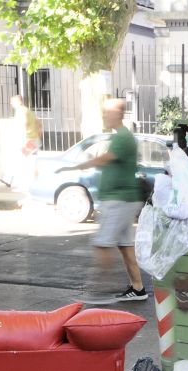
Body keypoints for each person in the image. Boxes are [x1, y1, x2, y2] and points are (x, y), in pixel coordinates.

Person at [56, 98, 146, 302]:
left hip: (119, 200)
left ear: (119, 114)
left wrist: (76, 167)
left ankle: (101, 291)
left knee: (103, 244)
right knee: (124, 247)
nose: (105, 116)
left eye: (108, 112)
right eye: (104, 112)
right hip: (122, 198)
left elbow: (104, 159)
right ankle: (138, 288)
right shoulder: (121, 136)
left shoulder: (123, 137)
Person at [9, 95, 42, 191]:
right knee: (32, 162)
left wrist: (22, 140)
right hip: (34, 140)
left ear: (19, 102)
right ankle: (35, 183)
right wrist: (38, 137)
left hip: (27, 141)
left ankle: (24, 186)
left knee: (23, 162)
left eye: (13, 102)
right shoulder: (29, 111)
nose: (11, 104)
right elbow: (39, 124)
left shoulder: (20, 111)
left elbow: (24, 124)